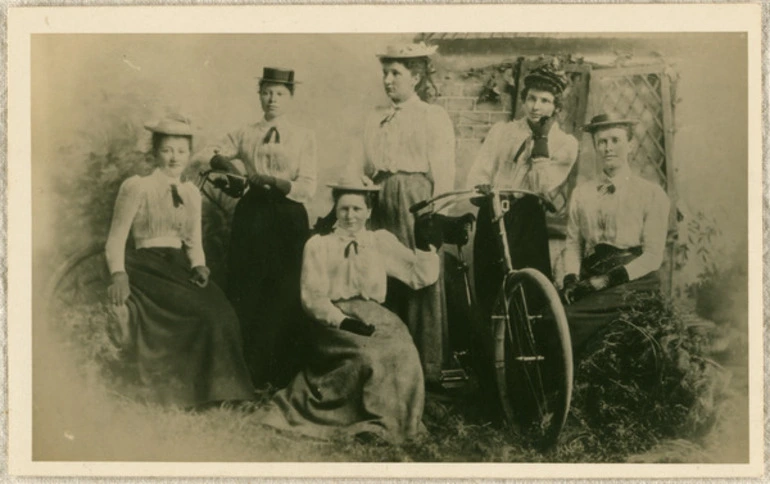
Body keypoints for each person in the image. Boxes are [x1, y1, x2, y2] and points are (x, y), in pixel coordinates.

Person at [257, 175, 443, 443]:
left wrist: (426, 248)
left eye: (357, 209)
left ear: (369, 212)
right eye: (344, 208)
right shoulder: (320, 246)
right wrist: (342, 321)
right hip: (333, 322)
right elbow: (313, 298)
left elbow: (417, 276)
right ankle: (364, 418)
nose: (350, 215)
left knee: (403, 350)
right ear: (336, 209)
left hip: (376, 315)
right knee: (369, 357)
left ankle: (394, 422)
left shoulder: (380, 242)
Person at [104, 116, 256, 408]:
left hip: (177, 265)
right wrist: (118, 274)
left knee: (222, 312)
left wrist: (199, 264)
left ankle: (226, 394)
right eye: (167, 150)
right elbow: (116, 238)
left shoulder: (190, 193)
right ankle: (189, 394)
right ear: (155, 153)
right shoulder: (137, 187)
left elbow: (193, 241)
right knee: (201, 314)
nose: (174, 157)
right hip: (145, 264)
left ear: (189, 155)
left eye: (181, 151)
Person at [210, 67, 317, 389]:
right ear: (259, 94)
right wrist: (227, 166)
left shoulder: (303, 136)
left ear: (291, 98)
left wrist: (273, 180)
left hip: (288, 217)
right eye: (267, 92)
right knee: (248, 287)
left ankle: (283, 374)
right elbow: (210, 153)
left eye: (280, 93)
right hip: (253, 215)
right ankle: (248, 373)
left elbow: (308, 187)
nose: (272, 99)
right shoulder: (246, 132)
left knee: (285, 289)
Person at [359, 42, 455, 384]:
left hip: (415, 202)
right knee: (378, 274)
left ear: (415, 77)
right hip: (378, 200)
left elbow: (442, 173)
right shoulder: (374, 117)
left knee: (416, 275)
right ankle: (384, 365)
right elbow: (363, 166)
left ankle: (423, 369)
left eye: (395, 73)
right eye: (385, 73)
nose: (387, 80)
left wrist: (436, 217)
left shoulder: (432, 117)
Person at [466, 61, 578, 320]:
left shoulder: (565, 144)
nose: (536, 107)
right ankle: (491, 353)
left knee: (528, 287)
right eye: (531, 99)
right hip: (493, 211)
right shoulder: (502, 132)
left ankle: (527, 353)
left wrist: (541, 141)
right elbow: (482, 168)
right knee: (490, 286)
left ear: (556, 108)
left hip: (527, 219)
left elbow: (542, 187)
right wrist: (482, 188)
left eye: (545, 101)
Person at [561, 113, 671, 354]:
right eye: (601, 142)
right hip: (591, 276)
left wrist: (605, 281)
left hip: (633, 283)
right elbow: (573, 245)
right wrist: (570, 279)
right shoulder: (582, 193)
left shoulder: (651, 194)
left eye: (615, 140)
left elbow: (653, 257)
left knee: (567, 321)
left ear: (630, 145)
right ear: (595, 147)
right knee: (548, 313)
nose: (608, 148)